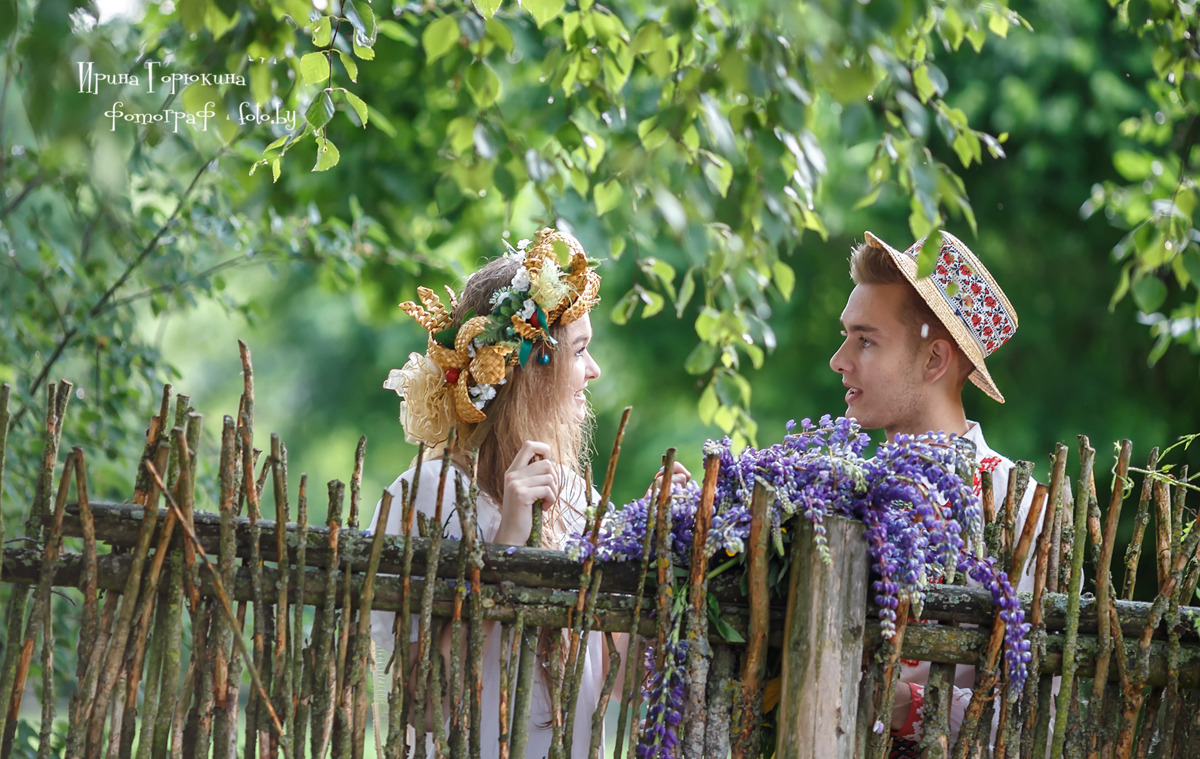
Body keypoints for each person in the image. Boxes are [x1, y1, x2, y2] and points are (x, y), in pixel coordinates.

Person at [368, 228, 608, 758]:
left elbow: (609, 684)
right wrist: (505, 547)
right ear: (528, 371)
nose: (594, 371)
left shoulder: (579, 499)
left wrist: (662, 538)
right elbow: (421, 704)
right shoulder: (425, 497)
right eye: (581, 350)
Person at [828, 230, 1050, 755]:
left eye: (865, 339)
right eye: (845, 336)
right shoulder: (840, 495)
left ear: (933, 361)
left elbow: (1043, 711)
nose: (839, 360)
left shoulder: (1016, 508)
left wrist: (907, 705)